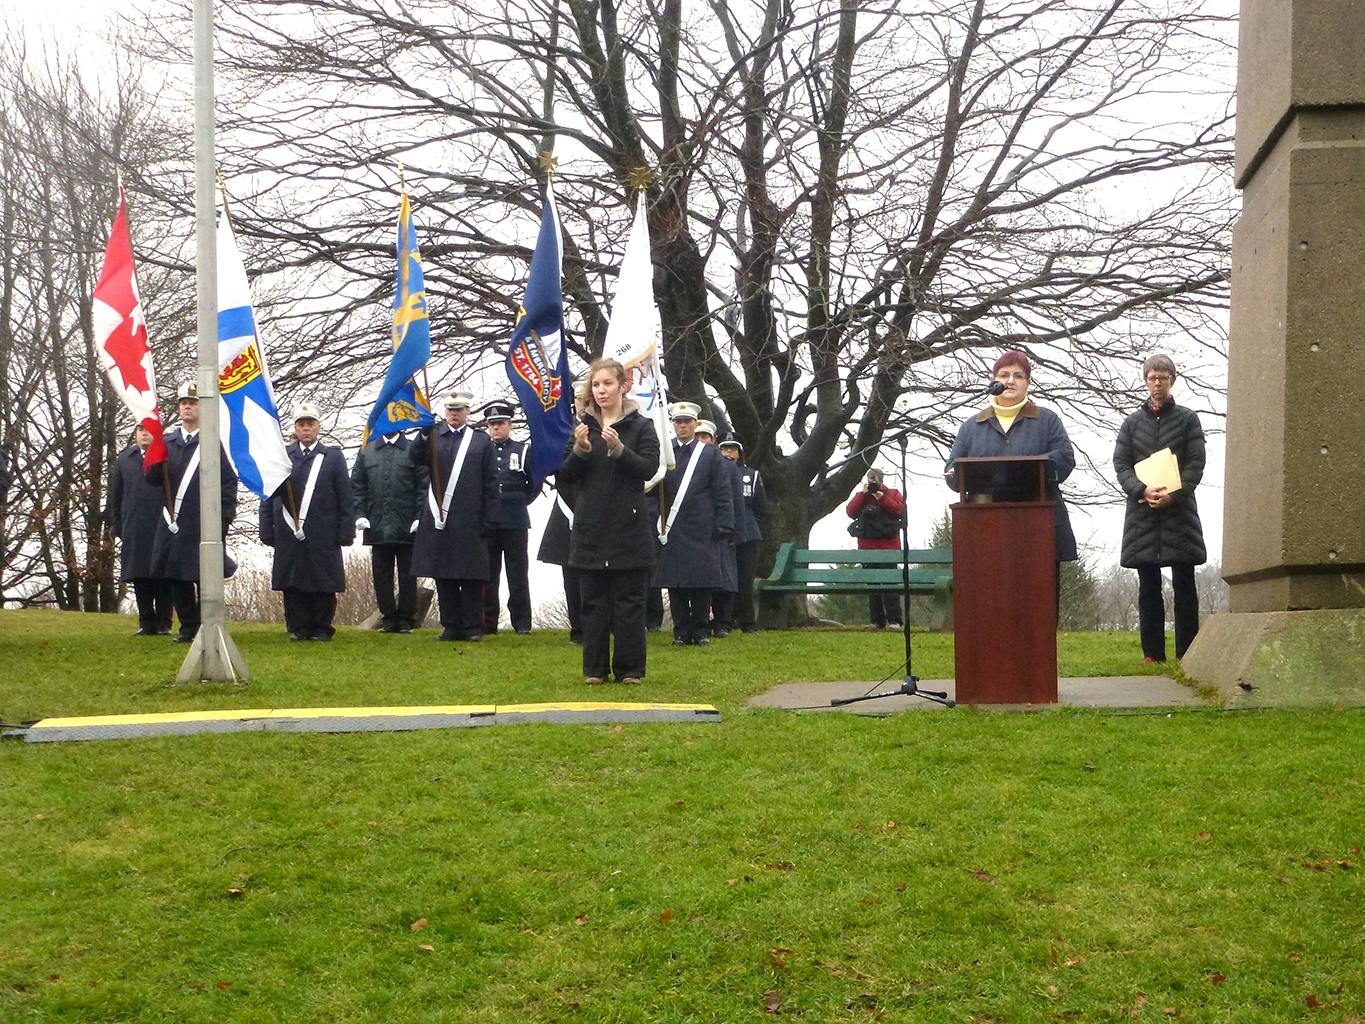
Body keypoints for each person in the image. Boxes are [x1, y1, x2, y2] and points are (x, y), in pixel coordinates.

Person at [558, 358, 660, 684]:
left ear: (623, 386)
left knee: (629, 604)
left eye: (607, 384)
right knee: (593, 604)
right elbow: (564, 475)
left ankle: (631, 670)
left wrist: (618, 450)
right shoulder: (581, 428)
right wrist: (582, 450)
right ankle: (595, 670)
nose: (601, 391)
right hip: (590, 530)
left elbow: (648, 469)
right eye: (596, 385)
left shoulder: (642, 426)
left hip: (628, 530)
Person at [943, 351, 1078, 581]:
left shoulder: (1047, 420)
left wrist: (1032, 468)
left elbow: (1065, 459)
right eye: (1004, 375)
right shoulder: (972, 426)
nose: (1010, 381)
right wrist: (956, 474)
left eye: (1018, 375)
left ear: (1028, 383)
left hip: (1039, 529)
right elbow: (953, 472)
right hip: (984, 531)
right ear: (992, 380)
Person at [1113, 354, 1207, 662]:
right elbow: (1120, 463)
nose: (1157, 383)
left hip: (1178, 511)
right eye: (1153, 378)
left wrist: (1175, 494)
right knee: (1148, 585)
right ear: (1145, 381)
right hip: (1143, 512)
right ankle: (1152, 654)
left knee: (1184, 583)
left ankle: (1188, 652)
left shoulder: (1187, 419)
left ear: (1172, 381)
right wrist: (1141, 489)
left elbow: (1196, 462)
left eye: (1163, 378)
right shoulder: (1131, 423)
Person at [147, 382, 239, 643]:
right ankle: (188, 628)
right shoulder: (167, 442)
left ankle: (208, 625)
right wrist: (154, 456)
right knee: (176, 577)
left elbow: (228, 483)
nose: (188, 406)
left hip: (203, 521)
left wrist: (223, 518)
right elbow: (153, 479)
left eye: (194, 402)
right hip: (174, 521)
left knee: (206, 578)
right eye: (184, 402)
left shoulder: (212, 440)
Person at [259, 403, 355, 641]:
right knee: (293, 580)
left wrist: (346, 530)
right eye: (301, 424)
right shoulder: (283, 456)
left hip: (323, 529)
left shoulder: (332, 457)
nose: (306, 429)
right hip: (287, 530)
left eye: (310, 424)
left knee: (322, 580)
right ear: (295, 428)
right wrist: (266, 528)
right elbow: (268, 495)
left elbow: (345, 495)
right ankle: (299, 627)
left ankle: (322, 627)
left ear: (318, 427)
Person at [411, 390, 498, 641]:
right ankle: (451, 625)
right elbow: (414, 459)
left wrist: (490, 517)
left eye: (459, 410)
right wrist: (423, 434)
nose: (454, 414)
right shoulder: (434, 435)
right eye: (450, 410)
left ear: (467, 412)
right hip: (440, 518)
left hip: (471, 516)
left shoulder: (481, 441)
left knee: (470, 576)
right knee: (444, 574)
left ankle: (472, 627)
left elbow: (491, 482)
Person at [654, 401, 734, 646]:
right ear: (674, 425)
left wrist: (724, 523)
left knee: (702, 581)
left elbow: (722, 490)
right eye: (678, 422)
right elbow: (653, 488)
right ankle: (680, 631)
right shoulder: (665, 453)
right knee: (675, 582)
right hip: (672, 526)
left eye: (687, 422)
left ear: (695, 424)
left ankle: (700, 630)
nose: (682, 426)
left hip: (702, 524)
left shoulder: (709, 453)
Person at [351, 427, 426, 633]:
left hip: (407, 525)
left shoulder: (413, 450)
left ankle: (405, 618)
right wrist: (360, 514)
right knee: (381, 573)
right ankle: (388, 617)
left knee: (408, 573)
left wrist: (420, 517)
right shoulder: (367, 450)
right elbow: (357, 486)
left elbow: (423, 487)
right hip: (377, 524)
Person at [107, 423, 173, 635]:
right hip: (134, 526)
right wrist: (117, 526)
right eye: (140, 430)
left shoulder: (166, 457)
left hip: (162, 523)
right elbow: (115, 496)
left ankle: (164, 623)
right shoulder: (125, 459)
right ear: (136, 434)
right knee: (139, 575)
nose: (145, 433)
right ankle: (146, 622)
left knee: (163, 574)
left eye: (149, 430)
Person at [481, 401, 535, 634]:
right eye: (492, 424)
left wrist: (517, 502)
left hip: (515, 521)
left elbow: (534, 484)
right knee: (488, 574)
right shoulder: (482, 451)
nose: (496, 429)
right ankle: (488, 622)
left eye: (500, 423)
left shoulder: (524, 450)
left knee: (518, 574)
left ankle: (522, 623)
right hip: (488, 522)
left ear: (509, 425)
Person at [845, 468, 906, 629]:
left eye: (875, 480)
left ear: (881, 480)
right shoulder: (863, 496)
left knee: (889, 584)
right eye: (870, 480)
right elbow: (850, 512)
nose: (872, 483)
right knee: (872, 585)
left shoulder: (892, 493)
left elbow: (899, 510)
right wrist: (862, 495)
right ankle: (877, 621)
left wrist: (881, 497)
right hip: (867, 548)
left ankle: (895, 620)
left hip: (888, 548)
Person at [696, 419, 739, 637]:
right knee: (702, 578)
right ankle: (701, 621)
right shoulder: (685, 462)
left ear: (713, 440)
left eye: (705, 437)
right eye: (698, 437)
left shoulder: (727, 466)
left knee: (726, 578)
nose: (701, 441)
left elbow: (735, 500)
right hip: (698, 529)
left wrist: (732, 528)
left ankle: (723, 622)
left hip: (721, 529)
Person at [719, 438, 767, 633]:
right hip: (723, 532)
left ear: (740, 453)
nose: (728, 454)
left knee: (745, 579)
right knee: (725, 579)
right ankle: (725, 620)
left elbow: (761, 507)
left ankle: (747, 621)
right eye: (724, 449)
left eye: (732, 450)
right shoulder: (714, 474)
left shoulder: (752, 475)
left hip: (748, 532)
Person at [536, 473, 583, 644]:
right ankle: (578, 629)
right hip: (566, 512)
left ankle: (600, 626)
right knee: (571, 580)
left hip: (596, 510)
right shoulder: (563, 451)